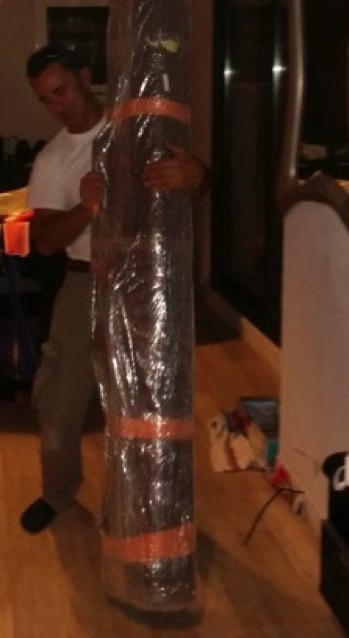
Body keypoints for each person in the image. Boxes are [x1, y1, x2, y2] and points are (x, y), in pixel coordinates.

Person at [20, 44, 209, 534]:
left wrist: (195, 176)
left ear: (85, 77)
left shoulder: (138, 131)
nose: (56, 105)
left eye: (61, 90)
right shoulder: (53, 160)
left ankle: (143, 503)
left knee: (144, 402)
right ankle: (57, 495)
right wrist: (85, 209)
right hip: (84, 280)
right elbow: (44, 241)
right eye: (46, 99)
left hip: (144, 280)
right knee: (58, 403)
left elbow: (191, 185)